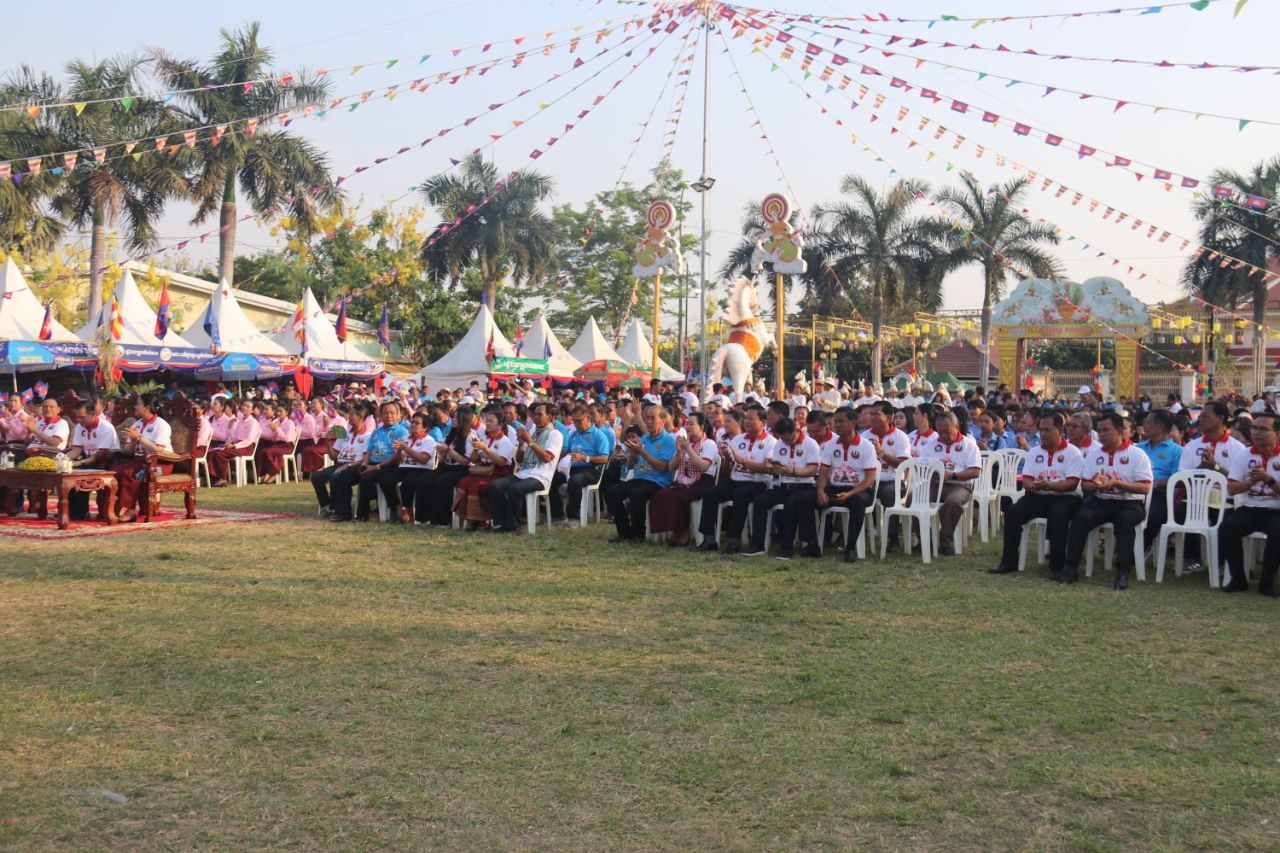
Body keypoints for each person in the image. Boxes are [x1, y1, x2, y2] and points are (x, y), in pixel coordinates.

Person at [1060, 412, 1154, 588]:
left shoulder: (1137, 454)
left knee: (1125, 521)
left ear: (1118, 430)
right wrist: (1096, 485)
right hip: (1101, 500)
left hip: (1129, 502)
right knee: (1080, 517)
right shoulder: (1094, 454)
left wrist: (1117, 483)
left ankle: (1123, 572)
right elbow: (1085, 486)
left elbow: (1145, 487)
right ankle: (1071, 568)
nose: (1101, 434)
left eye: (1106, 430)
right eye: (1099, 430)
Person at [990, 411, 1084, 579]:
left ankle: (1056, 566)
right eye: (1041, 430)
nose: (1043, 434)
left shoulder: (1073, 453)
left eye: (1048, 430)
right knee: (1013, 512)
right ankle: (1008, 562)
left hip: (1066, 497)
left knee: (1058, 514)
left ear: (1060, 430)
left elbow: (1072, 483)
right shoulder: (1034, 452)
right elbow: (1026, 479)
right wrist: (1032, 486)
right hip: (1039, 494)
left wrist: (1048, 485)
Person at [802, 407, 880, 563]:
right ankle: (812, 544)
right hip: (835, 488)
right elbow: (823, 473)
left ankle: (850, 547)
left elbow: (869, 479)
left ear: (853, 422)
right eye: (835, 422)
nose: (837, 425)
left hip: (859, 490)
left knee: (857, 501)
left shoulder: (866, 446)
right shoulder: (831, 445)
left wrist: (850, 494)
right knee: (805, 498)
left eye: (841, 421)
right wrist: (820, 491)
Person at [695, 407, 776, 554]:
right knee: (710, 493)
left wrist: (743, 461)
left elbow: (769, 469)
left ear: (763, 422)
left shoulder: (771, 442)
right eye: (746, 418)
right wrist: (727, 459)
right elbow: (728, 470)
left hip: (757, 483)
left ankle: (735, 539)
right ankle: (709, 538)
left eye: (751, 419)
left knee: (741, 494)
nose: (747, 422)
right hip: (735, 480)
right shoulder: (738, 439)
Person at [743, 417, 821, 559]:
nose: (786, 442)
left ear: (796, 430)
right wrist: (772, 467)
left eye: (789, 439)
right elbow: (775, 468)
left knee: (791, 503)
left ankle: (786, 547)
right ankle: (758, 544)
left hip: (803, 486)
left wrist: (793, 471)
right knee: (760, 501)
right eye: (783, 439)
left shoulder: (810, 444)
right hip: (783, 485)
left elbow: (813, 470)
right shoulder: (779, 444)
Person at [1221, 411, 1280, 595]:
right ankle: (1238, 579)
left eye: (1263, 429)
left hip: (1276, 510)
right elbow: (1232, 489)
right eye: (1254, 428)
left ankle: (1266, 583)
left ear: (1277, 434)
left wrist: (1268, 479)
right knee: (1228, 527)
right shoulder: (1243, 455)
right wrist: (1251, 481)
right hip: (1249, 509)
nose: (1256, 432)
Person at [601, 403, 677, 543]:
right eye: (647, 418)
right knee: (611, 491)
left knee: (637, 493)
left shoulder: (669, 440)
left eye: (652, 418)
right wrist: (633, 454)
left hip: (657, 482)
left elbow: (662, 467)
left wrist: (642, 452)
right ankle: (624, 532)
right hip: (639, 479)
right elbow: (630, 466)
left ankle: (638, 534)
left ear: (663, 421)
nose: (648, 422)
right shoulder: (644, 439)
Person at [490, 403, 565, 534]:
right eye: (534, 414)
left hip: (541, 476)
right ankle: (500, 523)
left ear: (549, 417)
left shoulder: (555, 435)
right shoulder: (532, 432)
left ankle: (513, 525)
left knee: (514, 489)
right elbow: (519, 459)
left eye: (539, 414)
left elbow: (547, 458)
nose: (535, 417)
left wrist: (530, 441)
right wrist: (521, 443)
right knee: (495, 485)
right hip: (524, 472)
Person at [916, 410, 982, 556]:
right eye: (940, 432)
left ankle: (945, 540)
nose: (944, 435)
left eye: (947, 431)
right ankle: (926, 539)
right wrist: (930, 473)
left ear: (956, 427)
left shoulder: (969, 445)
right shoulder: (930, 445)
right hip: (934, 484)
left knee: (953, 501)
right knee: (912, 499)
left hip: (960, 485)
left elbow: (975, 471)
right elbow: (921, 467)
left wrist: (952, 475)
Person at [330, 401, 409, 523]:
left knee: (371, 479)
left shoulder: (402, 432)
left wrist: (376, 467)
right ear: (380, 415)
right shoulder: (376, 432)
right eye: (385, 413)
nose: (389, 415)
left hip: (391, 466)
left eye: (392, 413)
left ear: (399, 414)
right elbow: (369, 452)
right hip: (372, 464)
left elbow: (397, 456)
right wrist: (364, 465)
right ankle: (344, 513)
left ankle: (389, 511)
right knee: (344, 475)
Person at [648, 412, 718, 545]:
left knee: (678, 497)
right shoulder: (686, 443)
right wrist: (679, 453)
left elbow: (703, 466)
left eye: (691, 424)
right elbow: (671, 467)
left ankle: (684, 533)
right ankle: (673, 531)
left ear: (701, 427)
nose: (687, 427)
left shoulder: (709, 444)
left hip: (703, 482)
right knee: (660, 495)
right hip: (684, 480)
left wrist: (688, 449)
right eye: (687, 424)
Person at [109, 395, 172, 523]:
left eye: (138, 404)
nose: (135, 406)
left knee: (131, 473)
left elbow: (158, 451)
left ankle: (130, 510)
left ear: (147, 408)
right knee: (115, 472)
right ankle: (114, 508)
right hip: (139, 461)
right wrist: (133, 441)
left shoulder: (161, 425)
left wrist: (139, 438)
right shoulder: (137, 424)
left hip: (159, 464)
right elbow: (128, 451)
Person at [452, 410, 516, 528]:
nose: (488, 423)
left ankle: (481, 519)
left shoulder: (504, 441)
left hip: (499, 473)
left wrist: (485, 449)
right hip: (484, 471)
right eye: (487, 421)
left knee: (477, 485)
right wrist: (476, 448)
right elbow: (474, 460)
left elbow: (500, 462)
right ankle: (474, 519)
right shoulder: (484, 438)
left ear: (500, 425)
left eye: (491, 421)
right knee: (464, 482)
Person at [864, 401, 912, 550]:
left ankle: (893, 538)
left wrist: (882, 453)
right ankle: (849, 535)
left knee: (888, 493)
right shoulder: (864, 436)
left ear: (889, 417)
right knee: (855, 493)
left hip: (893, 482)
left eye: (877, 414)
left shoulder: (901, 437)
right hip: (870, 482)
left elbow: (902, 464)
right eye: (871, 414)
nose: (872, 417)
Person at [549, 406, 610, 525]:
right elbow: (567, 451)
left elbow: (604, 459)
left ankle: (574, 518)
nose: (576, 424)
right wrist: (557, 462)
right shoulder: (573, 434)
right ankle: (558, 514)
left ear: (588, 418)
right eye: (574, 421)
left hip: (591, 469)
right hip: (572, 468)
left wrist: (585, 458)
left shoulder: (599, 435)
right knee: (550, 478)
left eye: (579, 420)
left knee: (575, 480)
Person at [416, 408, 476, 526]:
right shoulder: (451, 434)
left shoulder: (471, 436)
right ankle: (424, 518)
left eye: (456, 418)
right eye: (453, 417)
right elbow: (442, 459)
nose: (453, 420)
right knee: (423, 481)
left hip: (461, 469)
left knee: (441, 483)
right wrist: (441, 452)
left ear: (464, 420)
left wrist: (448, 450)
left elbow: (465, 461)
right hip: (447, 467)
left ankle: (441, 521)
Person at [65, 399, 121, 520]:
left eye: (82, 417)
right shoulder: (80, 427)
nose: (78, 420)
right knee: (67, 473)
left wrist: (79, 463)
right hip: (89, 460)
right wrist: (62, 459)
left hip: (107, 462)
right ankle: (72, 511)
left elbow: (100, 455)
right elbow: (76, 450)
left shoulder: (106, 428)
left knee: (79, 474)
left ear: (92, 414)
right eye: (77, 417)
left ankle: (80, 512)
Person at [311, 407, 371, 518]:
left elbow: (365, 459)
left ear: (361, 417)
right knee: (316, 476)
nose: (349, 417)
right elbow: (333, 456)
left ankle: (342, 511)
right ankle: (327, 506)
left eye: (352, 414)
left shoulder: (368, 436)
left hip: (355, 466)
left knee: (337, 476)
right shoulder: (345, 433)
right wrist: (328, 442)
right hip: (340, 464)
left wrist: (348, 465)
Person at [1137, 409, 1181, 552]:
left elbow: (1177, 480)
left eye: (1148, 422)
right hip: (1136, 491)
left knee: (1153, 515)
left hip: (1161, 495)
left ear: (1160, 426)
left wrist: (1153, 484)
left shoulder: (1177, 451)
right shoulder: (1139, 448)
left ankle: (1143, 547)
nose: (1144, 425)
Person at [385, 414, 437, 523]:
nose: (413, 425)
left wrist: (405, 448)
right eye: (412, 422)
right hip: (403, 468)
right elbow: (398, 459)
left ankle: (408, 511)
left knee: (407, 483)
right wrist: (398, 451)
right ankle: (398, 508)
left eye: (417, 423)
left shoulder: (428, 440)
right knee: (386, 480)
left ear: (425, 427)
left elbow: (423, 459)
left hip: (421, 469)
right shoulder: (405, 439)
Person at [207, 399, 261, 487]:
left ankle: (222, 478)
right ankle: (214, 477)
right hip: (238, 445)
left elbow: (249, 440)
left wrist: (235, 446)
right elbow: (235, 437)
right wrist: (231, 427)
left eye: (248, 407)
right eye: (244, 405)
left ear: (252, 410)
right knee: (214, 451)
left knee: (219, 453)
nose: (245, 408)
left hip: (247, 447)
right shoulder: (239, 421)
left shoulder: (253, 422)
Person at [254, 403, 298, 484]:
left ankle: (273, 472)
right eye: (277, 411)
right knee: (262, 452)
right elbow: (272, 436)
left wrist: (277, 429)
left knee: (269, 452)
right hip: (277, 444)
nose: (278, 413)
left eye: (281, 411)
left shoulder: (290, 423)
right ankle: (264, 474)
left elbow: (287, 439)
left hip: (287, 446)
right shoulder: (276, 421)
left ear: (286, 412)